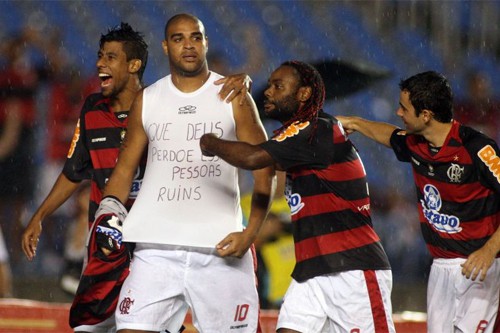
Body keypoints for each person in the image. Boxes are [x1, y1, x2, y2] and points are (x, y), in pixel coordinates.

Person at [21, 21, 252, 333]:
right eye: (100, 56)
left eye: (110, 57)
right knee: (89, 326)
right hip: (108, 242)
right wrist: (40, 215)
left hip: (152, 243)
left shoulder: (159, 105)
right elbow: (74, 171)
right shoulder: (92, 109)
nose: (100, 64)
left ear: (134, 65)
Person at [93, 13, 275, 333]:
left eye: (196, 37)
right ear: (166, 47)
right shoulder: (147, 100)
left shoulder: (234, 97)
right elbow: (124, 169)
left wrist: (250, 234)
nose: (188, 45)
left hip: (219, 250)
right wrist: (107, 214)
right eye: (179, 38)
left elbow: (266, 166)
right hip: (156, 251)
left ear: (206, 43)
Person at [200, 60, 395, 333]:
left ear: (303, 94)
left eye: (278, 86)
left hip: (353, 270)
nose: (269, 92)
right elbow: (262, 156)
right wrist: (243, 96)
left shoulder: (316, 130)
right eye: (268, 86)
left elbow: (254, 157)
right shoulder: (300, 136)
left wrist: (208, 142)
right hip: (310, 273)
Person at [336, 70, 500, 333]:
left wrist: (489, 251)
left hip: (478, 267)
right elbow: (390, 136)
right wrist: (355, 123)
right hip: (440, 269)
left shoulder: (478, 149)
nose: (398, 113)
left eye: (404, 108)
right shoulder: (416, 144)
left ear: (426, 115)